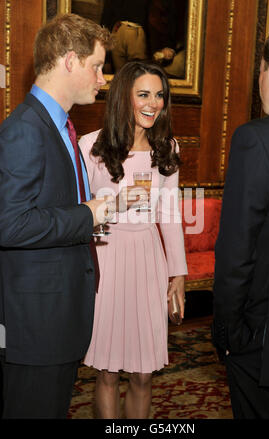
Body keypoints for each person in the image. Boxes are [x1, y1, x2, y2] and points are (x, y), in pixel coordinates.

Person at [0, 13, 142, 419]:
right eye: (97, 66)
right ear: (68, 61)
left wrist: (99, 207)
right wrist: (85, 214)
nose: (103, 78)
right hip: (35, 325)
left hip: (56, 317)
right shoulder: (26, 129)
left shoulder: (59, 125)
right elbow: (10, 224)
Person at [79, 60, 188, 419]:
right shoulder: (89, 146)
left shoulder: (166, 148)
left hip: (148, 258)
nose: (152, 103)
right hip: (106, 258)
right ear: (123, 97)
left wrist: (179, 275)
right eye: (143, 94)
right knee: (108, 371)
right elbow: (77, 211)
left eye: (159, 95)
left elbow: (170, 216)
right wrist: (113, 204)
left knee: (144, 373)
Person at [212, 25, 269, 419]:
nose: (260, 81)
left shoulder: (258, 138)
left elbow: (237, 248)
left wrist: (227, 331)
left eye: (261, 70)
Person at [101, 0, 151, 72]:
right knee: (131, 73)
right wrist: (106, 59)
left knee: (136, 72)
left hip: (133, 30)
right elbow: (106, 20)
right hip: (119, 31)